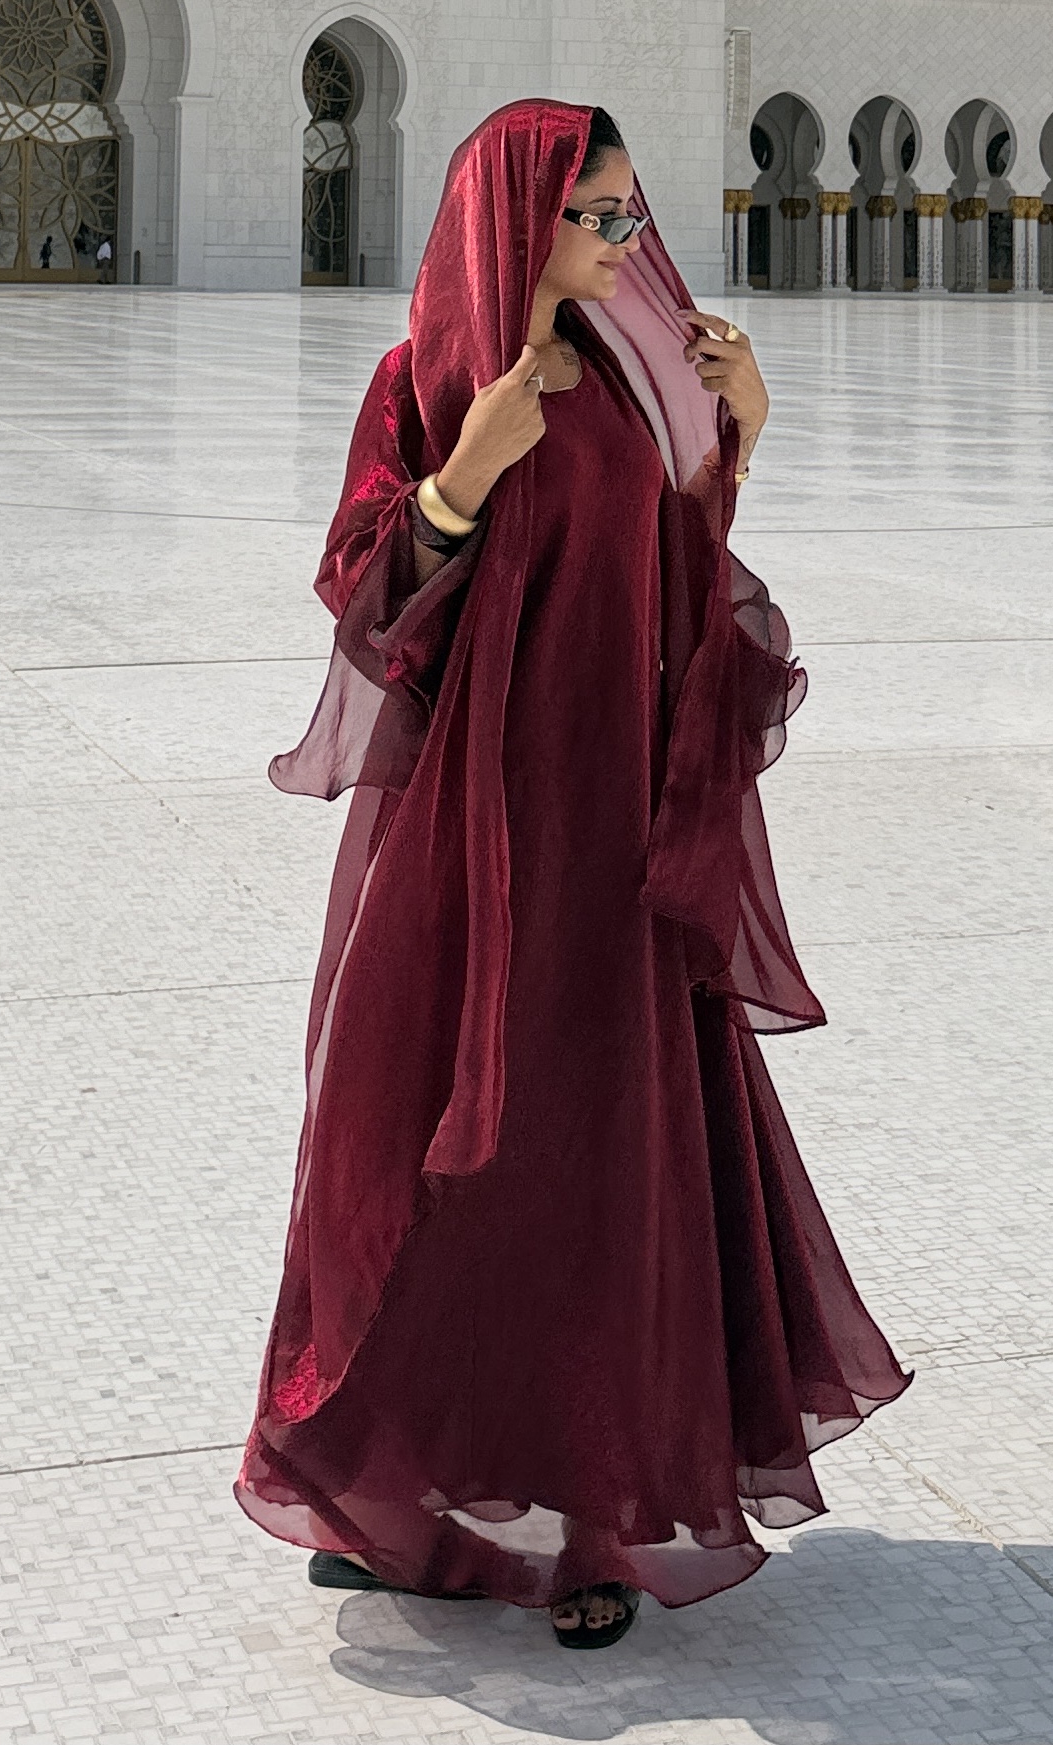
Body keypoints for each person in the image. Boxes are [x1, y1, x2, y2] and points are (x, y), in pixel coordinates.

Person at [236, 100, 910, 1649]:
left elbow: (672, 587)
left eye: (629, 212)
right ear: (514, 223)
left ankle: (596, 1513)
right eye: (595, 216)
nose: (625, 241)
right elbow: (364, 590)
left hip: (609, 839)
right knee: (425, 1164)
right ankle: (403, 1486)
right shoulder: (429, 384)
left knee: (595, 1168)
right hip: (468, 837)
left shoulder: (625, 382)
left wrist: (735, 441)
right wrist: (465, 475)